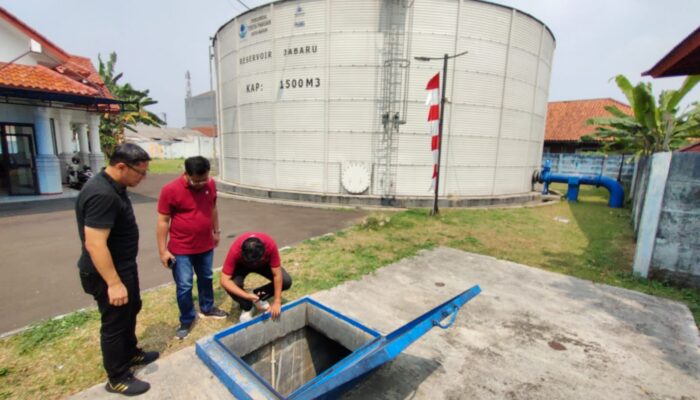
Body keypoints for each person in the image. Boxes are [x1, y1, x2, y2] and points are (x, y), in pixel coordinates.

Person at [75, 143, 158, 396]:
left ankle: (130, 352)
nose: (143, 178)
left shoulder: (116, 186)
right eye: (140, 173)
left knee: (131, 309)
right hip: (107, 273)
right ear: (121, 166)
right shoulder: (103, 194)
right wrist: (113, 283)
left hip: (123, 267)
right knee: (114, 323)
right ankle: (117, 377)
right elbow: (95, 243)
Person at [157, 156, 228, 340]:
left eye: (204, 178)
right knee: (184, 285)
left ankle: (207, 307)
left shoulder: (210, 184)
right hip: (181, 248)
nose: (202, 183)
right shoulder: (170, 190)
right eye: (197, 180)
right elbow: (163, 221)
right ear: (186, 174)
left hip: (205, 244)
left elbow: (213, 208)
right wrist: (163, 250)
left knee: (206, 277)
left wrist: (216, 231)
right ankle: (187, 318)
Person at [221, 232, 292, 322]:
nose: (253, 265)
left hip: (263, 264)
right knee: (233, 284)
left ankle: (258, 295)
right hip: (242, 265)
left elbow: (277, 274)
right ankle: (248, 306)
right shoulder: (235, 250)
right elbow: (224, 280)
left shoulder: (270, 245)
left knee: (286, 281)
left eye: (255, 262)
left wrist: (277, 301)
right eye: (251, 262)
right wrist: (246, 296)